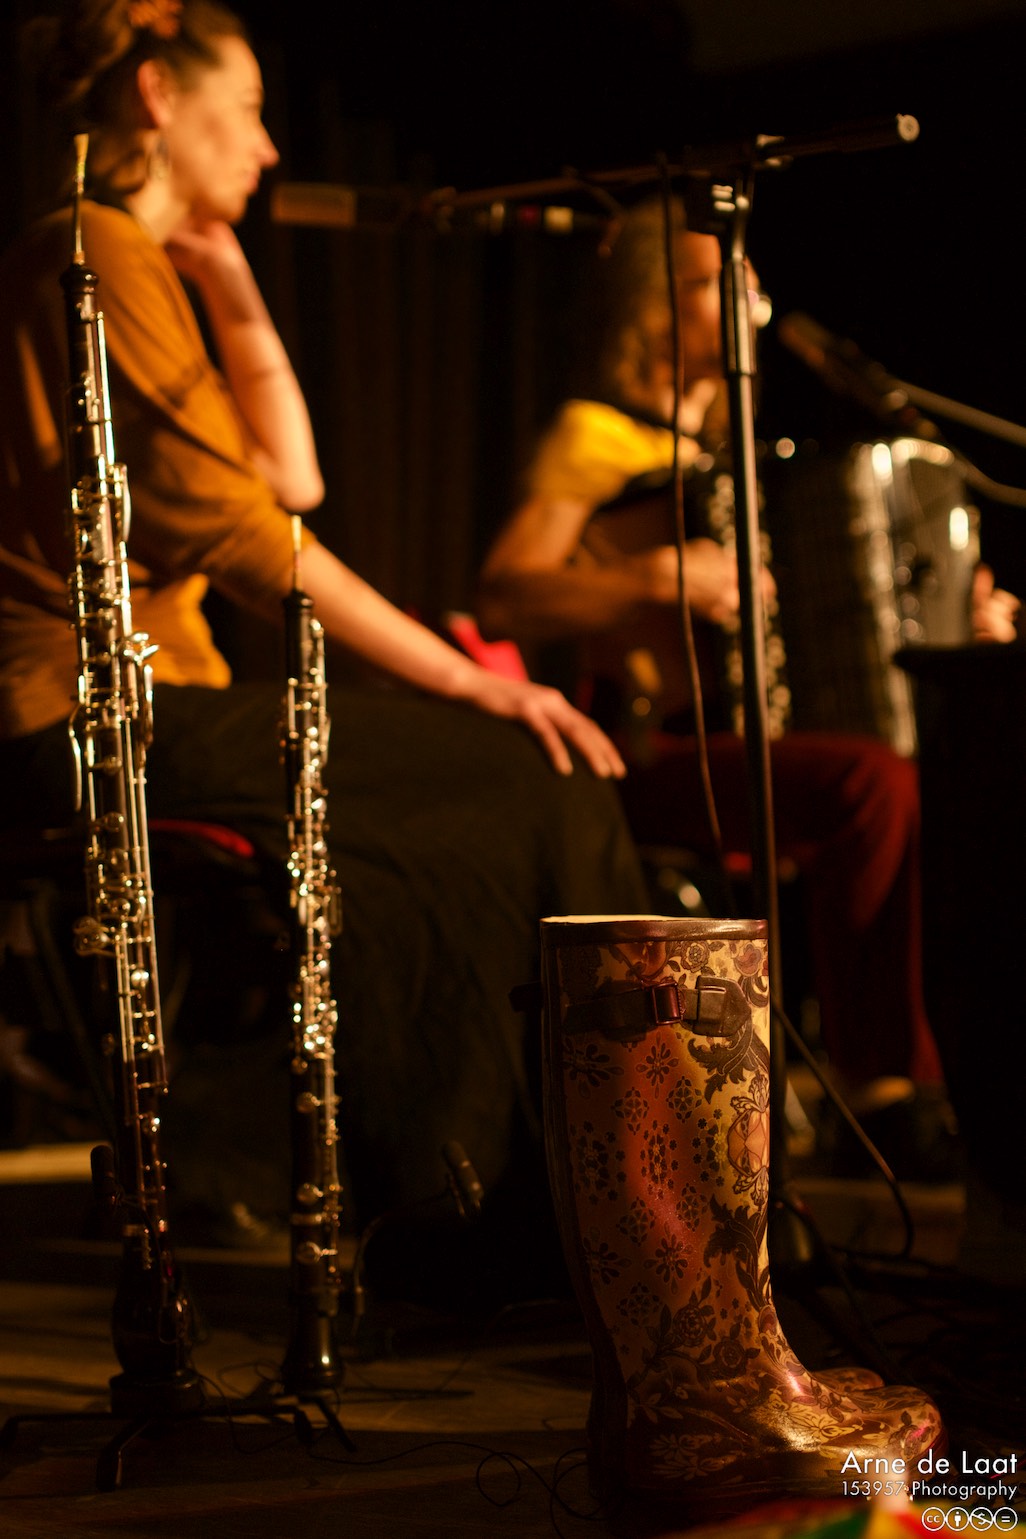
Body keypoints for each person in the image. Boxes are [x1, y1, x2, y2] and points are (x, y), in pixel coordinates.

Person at [0, 0, 649, 1271]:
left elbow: (290, 480)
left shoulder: (133, 257)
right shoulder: (90, 251)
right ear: (157, 97)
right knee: (525, 767)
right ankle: (572, 1202)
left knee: (476, 806)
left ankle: (504, 1200)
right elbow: (253, 541)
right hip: (78, 714)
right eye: (246, 110)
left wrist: (229, 274)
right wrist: (476, 683)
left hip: (143, 703)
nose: (269, 146)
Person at [477, 196, 1019, 1179]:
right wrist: (652, 576)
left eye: (754, 286)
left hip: (748, 744)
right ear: (654, 303)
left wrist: (955, 622)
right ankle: (883, 1087)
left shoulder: (734, 462)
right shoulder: (597, 436)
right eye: (722, 285)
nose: (753, 306)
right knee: (868, 784)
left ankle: (961, 1080)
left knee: (933, 775)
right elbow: (506, 591)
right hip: (645, 747)